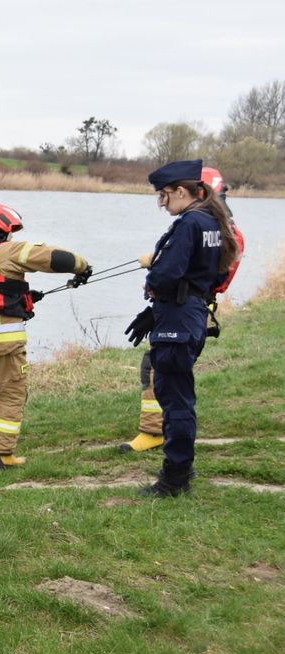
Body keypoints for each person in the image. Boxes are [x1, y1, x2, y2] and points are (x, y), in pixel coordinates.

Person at [0, 202, 94, 477]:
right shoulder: (9, 250)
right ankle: (3, 454)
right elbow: (53, 257)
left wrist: (23, 296)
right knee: (12, 392)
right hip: (6, 342)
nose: (12, 236)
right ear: (3, 228)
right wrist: (82, 267)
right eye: (10, 231)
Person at [124, 159, 239, 496]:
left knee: (175, 400)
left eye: (164, 195)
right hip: (191, 312)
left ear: (181, 191)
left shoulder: (190, 222)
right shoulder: (213, 222)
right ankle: (181, 469)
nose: (163, 202)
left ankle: (175, 478)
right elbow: (217, 273)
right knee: (178, 394)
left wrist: (154, 285)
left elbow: (166, 272)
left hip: (177, 317)